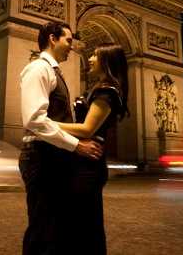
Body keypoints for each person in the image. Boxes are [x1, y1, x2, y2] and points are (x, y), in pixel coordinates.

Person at [19, 21, 104, 255]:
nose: (72, 46)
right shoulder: (39, 69)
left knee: (55, 228)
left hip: (52, 157)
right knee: (42, 229)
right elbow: (34, 120)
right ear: (52, 39)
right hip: (41, 158)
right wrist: (76, 145)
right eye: (68, 40)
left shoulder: (53, 71)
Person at [59, 43, 129, 255]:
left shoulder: (107, 93)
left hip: (88, 164)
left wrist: (44, 124)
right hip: (83, 161)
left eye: (95, 55)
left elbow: (87, 128)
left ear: (106, 61)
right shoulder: (100, 89)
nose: (89, 59)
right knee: (83, 224)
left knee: (86, 226)